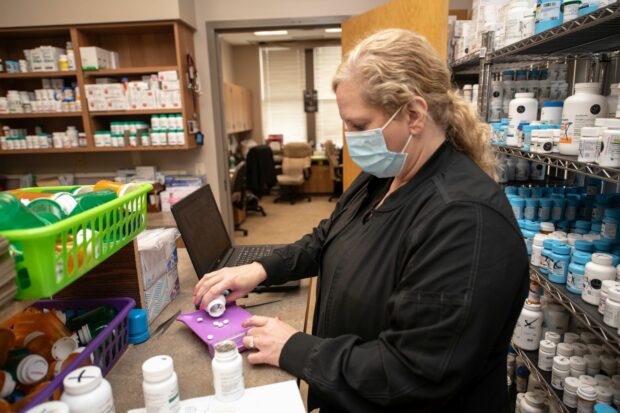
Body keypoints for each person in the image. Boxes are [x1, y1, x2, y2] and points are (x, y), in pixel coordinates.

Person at [193, 28, 528, 412]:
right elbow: (327, 237)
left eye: (358, 124)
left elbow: (411, 373)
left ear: (415, 115)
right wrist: (259, 269)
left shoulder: (466, 221)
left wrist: (295, 348)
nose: (348, 137)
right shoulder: (386, 174)